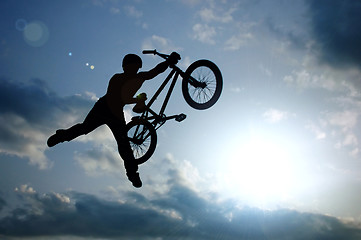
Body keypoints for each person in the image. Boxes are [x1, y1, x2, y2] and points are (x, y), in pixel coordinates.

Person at [47, 52, 180, 188]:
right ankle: (61, 136)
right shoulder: (117, 78)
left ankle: (133, 174)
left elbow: (155, 71)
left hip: (116, 113)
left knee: (123, 144)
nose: (132, 70)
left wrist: (169, 62)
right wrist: (136, 100)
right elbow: (120, 98)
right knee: (85, 128)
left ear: (137, 67)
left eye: (135, 68)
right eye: (130, 67)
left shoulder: (140, 77)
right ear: (125, 67)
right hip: (104, 108)